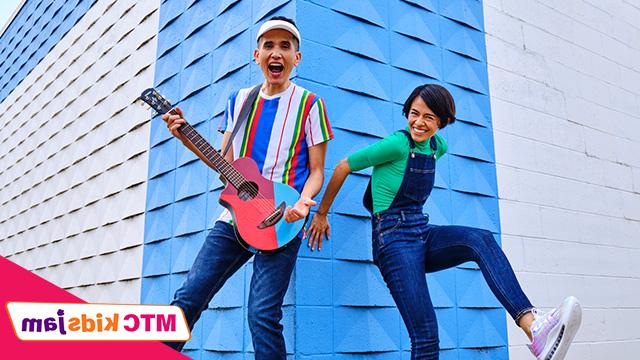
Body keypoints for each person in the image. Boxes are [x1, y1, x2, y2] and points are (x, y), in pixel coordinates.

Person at [305, 84, 582, 360]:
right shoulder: (397, 143)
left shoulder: (438, 146)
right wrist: (321, 213)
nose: (419, 122)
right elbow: (343, 166)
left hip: (421, 231)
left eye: (429, 117)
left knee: (481, 239)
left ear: (442, 121)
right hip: (393, 240)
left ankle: (533, 328)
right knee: (426, 335)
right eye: (414, 113)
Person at [161, 16, 333, 357]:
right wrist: (184, 138)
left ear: (297, 58)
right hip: (236, 217)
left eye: (286, 46)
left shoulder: (310, 104)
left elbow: (317, 171)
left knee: (262, 315)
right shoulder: (239, 101)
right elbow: (223, 161)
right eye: (269, 45)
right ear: (257, 55)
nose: (277, 52)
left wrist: (304, 202)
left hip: (283, 219)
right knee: (188, 298)